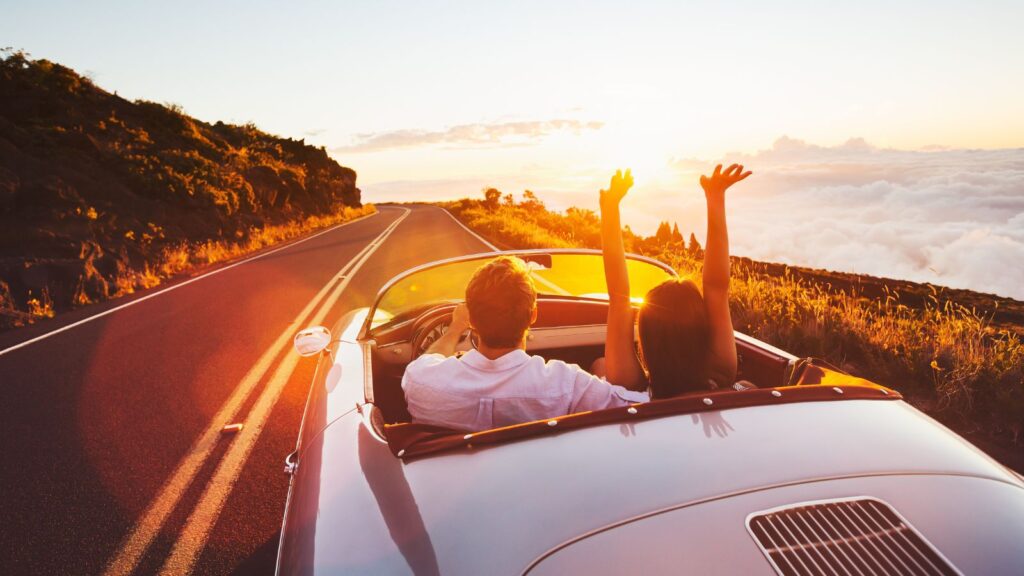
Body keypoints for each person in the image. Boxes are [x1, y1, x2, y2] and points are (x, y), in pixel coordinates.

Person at [402, 256, 649, 432]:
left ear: (472, 320)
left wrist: (455, 329)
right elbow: (640, 405)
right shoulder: (565, 384)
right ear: (533, 316)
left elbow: (428, 360)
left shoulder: (420, 380)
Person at [598, 164, 751, 398]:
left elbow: (619, 298)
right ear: (703, 332)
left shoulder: (631, 386)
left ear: (647, 339)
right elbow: (716, 287)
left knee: (598, 365)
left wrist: (609, 209)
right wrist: (715, 197)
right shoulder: (721, 373)